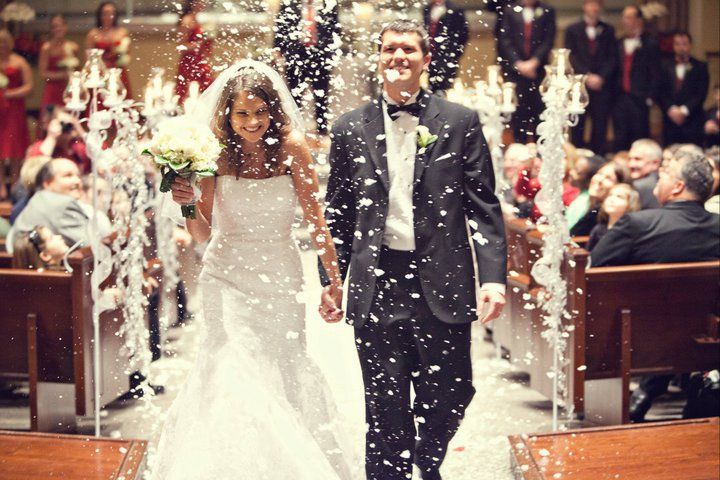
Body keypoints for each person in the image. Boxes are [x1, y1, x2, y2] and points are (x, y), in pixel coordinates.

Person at [319, 20, 507, 479]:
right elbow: (338, 214)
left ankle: (425, 462)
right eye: (389, 49)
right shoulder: (348, 128)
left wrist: (494, 279)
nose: (397, 56)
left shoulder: (460, 121)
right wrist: (331, 280)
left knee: (452, 391)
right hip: (377, 281)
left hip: (443, 277)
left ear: (425, 59)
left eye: (408, 49)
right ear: (378, 58)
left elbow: (483, 206)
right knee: (385, 404)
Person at [155, 60, 354, 479]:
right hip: (225, 276)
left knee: (281, 368)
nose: (252, 122)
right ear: (228, 115)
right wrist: (187, 202)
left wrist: (334, 283)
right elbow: (202, 235)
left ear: (273, 111)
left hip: (279, 276)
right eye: (243, 113)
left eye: (260, 112)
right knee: (230, 370)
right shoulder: (214, 153)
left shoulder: (292, 147)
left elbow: (318, 222)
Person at [590, 149, 720, 421]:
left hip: (636, 344)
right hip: (706, 342)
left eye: (663, 175)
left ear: (677, 186)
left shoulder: (637, 225)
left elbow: (593, 272)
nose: (658, 181)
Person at [273, 0, 340, 135]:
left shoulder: (329, 4)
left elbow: (336, 30)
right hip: (296, 56)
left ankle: (321, 130)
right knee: (294, 95)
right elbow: (280, 27)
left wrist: (331, 53)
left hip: (321, 57)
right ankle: (294, 128)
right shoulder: (289, 3)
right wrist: (278, 49)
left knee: (321, 95)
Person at [497, 0, 556, 142]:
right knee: (519, 112)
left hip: (538, 72)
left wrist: (534, 62)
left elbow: (548, 40)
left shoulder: (547, 10)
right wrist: (518, 64)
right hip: (515, 72)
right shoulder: (509, 10)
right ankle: (520, 148)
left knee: (539, 112)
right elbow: (504, 40)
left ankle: (540, 149)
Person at [564, 0, 617, 154]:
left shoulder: (608, 30)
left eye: (597, 5)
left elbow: (612, 58)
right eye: (591, 4)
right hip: (579, 86)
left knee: (600, 124)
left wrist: (601, 77)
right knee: (577, 124)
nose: (594, 8)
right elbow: (571, 56)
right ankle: (577, 157)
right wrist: (586, 76)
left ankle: (598, 158)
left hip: (602, 86)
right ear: (584, 6)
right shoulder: (572, 29)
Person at [6, 158, 89, 253]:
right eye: (68, 176)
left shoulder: (38, 199)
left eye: (78, 176)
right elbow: (91, 246)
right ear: (47, 183)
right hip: (42, 265)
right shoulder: (62, 203)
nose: (77, 181)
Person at [612, 5, 660, 151]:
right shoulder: (618, 43)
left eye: (629, 17)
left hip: (640, 98)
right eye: (624, 17)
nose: (626, 21)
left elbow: (656, 72)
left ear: (639, 20)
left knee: (639, 135)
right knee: (620, 136)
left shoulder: (650, 43)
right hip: (620, 97)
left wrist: (650, 96)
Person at [657, 31, 709, 147]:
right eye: (678, 44)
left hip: (692, 120)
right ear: (674, 46)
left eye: (684, 44)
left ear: (690, 45)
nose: (681, 48)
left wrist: (684, 111)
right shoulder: (664, 66)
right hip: (670, 121)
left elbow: (701, 93)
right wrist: (671, 109)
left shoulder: (700, 66)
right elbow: (660, 91)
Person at [0, 29, 32, 201]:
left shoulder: (19, 62)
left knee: (14, 147)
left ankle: (14, 184)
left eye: (5, 41)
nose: (2, 45)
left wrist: (9, 93)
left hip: (14, 109)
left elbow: (29, 86)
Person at [570, 160, 631, 236]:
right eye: (599, 173)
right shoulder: (590, 206)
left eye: (608, 178)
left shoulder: (607, 216)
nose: (599, 179)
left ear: (619, 187)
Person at [86, 1, 132, 97]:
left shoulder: (122, 32)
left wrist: (120, 55)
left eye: (111, 13)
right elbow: (88, 58)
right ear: (100, 15)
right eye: (105, 13)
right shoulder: (93, 34)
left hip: (118, 72)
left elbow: (128, 55)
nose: (108, 16)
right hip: (100, 74)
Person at [422, 0, 468, 93]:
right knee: (431, 88)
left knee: (446, 89)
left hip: (448, 56)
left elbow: (463, 35)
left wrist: (454, 55)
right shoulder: (427, 8)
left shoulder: (454, 9)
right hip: (431, 56)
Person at [38, 15, 79, 111]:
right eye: (55, 26)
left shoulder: (73, 46)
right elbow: (43, 73)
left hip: (68, 87)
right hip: (52, 88)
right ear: (51, 29)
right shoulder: (46, 48)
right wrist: (62, 75)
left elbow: (76, 69)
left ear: (66, 27)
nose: (58, 29)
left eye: (60, 26)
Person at [175, 0, 213, 101]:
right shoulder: (187, 20)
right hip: (190, 63)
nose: (203, 3)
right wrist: (198, 44)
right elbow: (180, 46)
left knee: (205, 93)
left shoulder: (197, 19)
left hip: (199, 62)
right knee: (190, 94)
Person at [586, 183, 640, 251]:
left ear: (630, 204)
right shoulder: (598, 229)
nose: (612, 199)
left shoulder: (632, 232)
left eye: (619, 196)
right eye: (610, 195)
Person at [565, 153, 605, 231]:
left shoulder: (586, 200)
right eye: (574, 168)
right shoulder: (581, 196)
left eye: (578, 172)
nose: (571, 172)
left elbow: (570, 229)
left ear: (588, 180)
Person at [628, 138, 662, 209]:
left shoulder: (640, 186)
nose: (631, 164)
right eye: (629, 159)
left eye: (637, 159)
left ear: (655, 163)